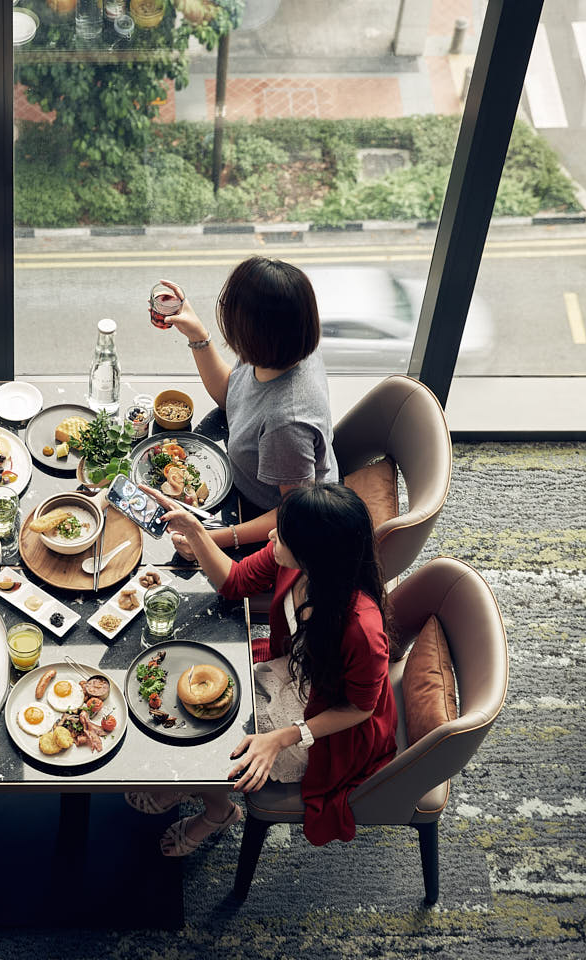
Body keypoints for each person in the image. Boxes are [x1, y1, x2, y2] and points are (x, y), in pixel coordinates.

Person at [126, 483, 397, 856]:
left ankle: (219, 811)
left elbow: (360, 708)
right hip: (297, 670)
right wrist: (194, 529)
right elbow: (235, 581)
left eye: (281, 536)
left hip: (331, 724)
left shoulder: (362, 629)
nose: (271, 537)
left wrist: (283, 737)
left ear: (314, 554)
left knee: (217, 743)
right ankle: (195, 785)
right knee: (194, 702)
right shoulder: (299, 562)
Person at [157, 258, 336, 552]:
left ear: (254, 332)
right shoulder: (282, 348)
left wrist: (208, 539)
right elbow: (232, 396)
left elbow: (296, 515)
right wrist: (197, 336)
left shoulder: (286, 424)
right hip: (247, 484)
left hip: (267, 522)